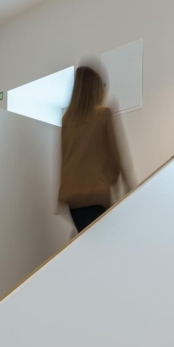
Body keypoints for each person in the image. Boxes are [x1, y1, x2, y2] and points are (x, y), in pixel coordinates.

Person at [58, 65, 133, 233]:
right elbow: (116, 154)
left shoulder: (67, 120)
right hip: (95, 195)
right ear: (96, 88)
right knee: (101, 242)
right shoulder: (103, 114)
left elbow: (65, 159)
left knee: (88, 239)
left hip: (72, 200)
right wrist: (128, 184)